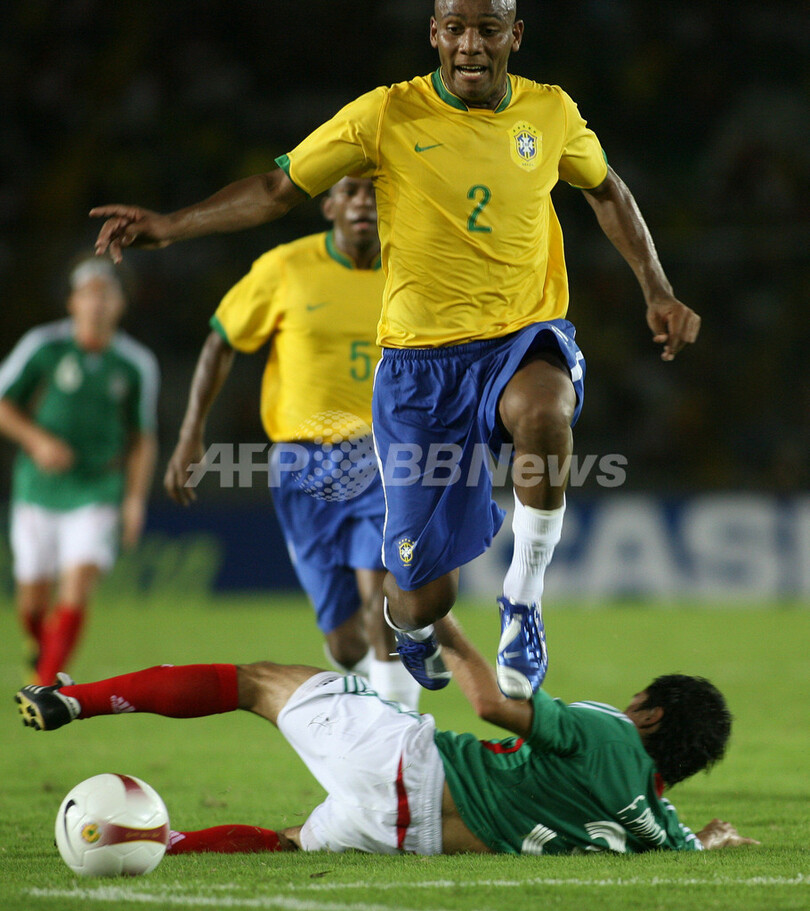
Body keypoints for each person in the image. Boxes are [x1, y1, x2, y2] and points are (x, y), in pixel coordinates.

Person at [90, 0, 702, 699]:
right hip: (419, 369)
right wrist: (171, 226)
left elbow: (608, 191)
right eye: (457, 28)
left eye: (489, 28)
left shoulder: (551, 112)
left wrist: (657, 288)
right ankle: (409, 626)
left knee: (545, 408)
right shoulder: (385, 115)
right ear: (436, 33)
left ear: (515, 36)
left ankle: (523, 603)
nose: (472, 45)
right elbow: (274, 188)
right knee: (421, 598)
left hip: (519, 334)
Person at [15, 614, 756, 856]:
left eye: (639, 700)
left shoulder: (611, 734)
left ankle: (72, 699)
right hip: (408, 837)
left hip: (408, 765)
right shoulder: (651, 826)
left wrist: (450, 632)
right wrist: (716, 840)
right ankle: (155, 844)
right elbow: (687, 837)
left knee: (257, 681)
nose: (628, 704)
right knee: (287, 845)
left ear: (653, 716)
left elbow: (496, 707)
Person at [163, 176, 419, 708]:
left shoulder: (413, 270)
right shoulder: (285, 268)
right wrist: (192, 432)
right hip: (303, 466)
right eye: (350, 191)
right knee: (346, 644)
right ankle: (378, 678)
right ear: (328, 206)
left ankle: (400, 746)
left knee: (386, 600)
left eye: (375, 192)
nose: (364, 202)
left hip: (383, 455)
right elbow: (221, 340)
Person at [0, 257, 159, 685]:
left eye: (106, 294)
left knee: (79, 580)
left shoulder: (135, 363)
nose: (97, 303)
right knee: (32, 601)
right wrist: (37, 440)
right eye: (88, 293)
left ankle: (46, 683)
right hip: (39, 487)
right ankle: (41, 645)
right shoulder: (44, 347)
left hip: (99, 487)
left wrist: (134, 501)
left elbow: (143, 438)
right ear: (72, 302)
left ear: (120, 304)